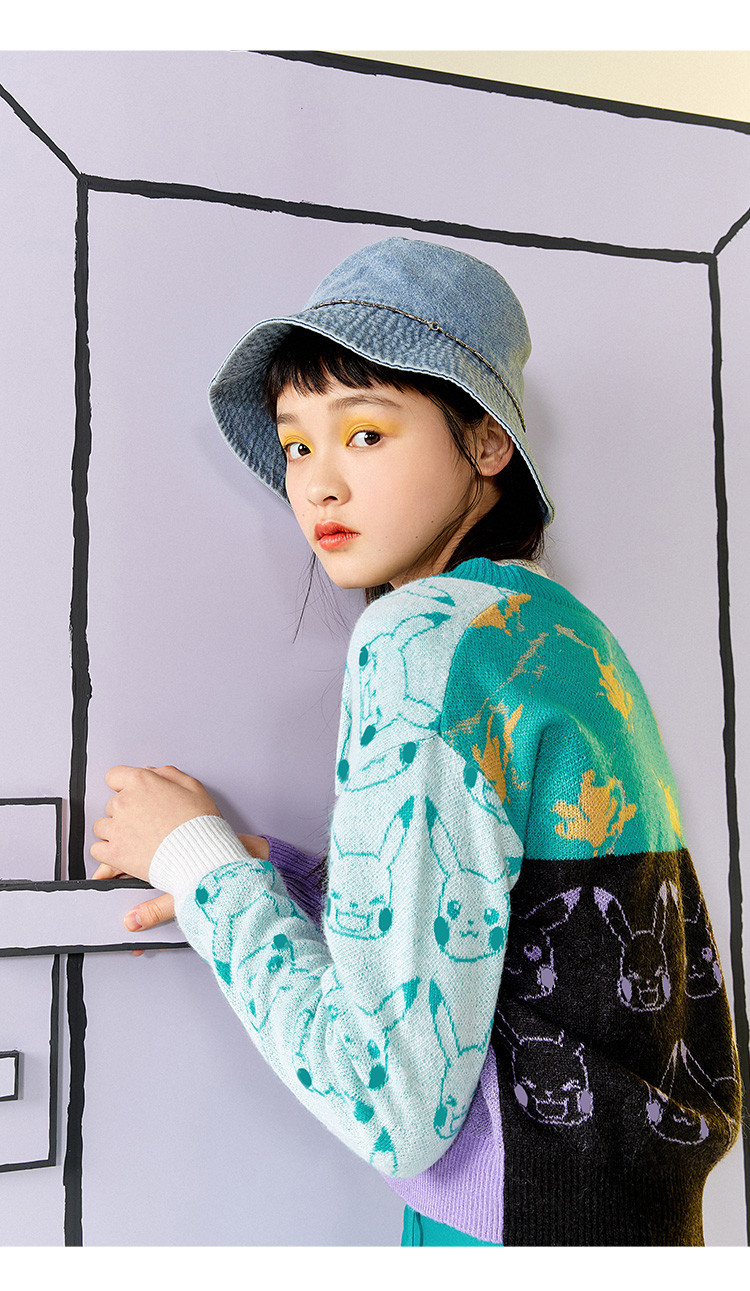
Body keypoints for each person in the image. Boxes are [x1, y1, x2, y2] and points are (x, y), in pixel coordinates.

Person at [90, 237, 741, 1246]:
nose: (319, 485)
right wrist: (300, 881)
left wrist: (201, 865)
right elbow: (535, 936)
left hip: (510, 1233)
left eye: (365, 433)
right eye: (297, 446)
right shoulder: (565, 634)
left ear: (486, 442)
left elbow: (390, 1101)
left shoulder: (419, 637)